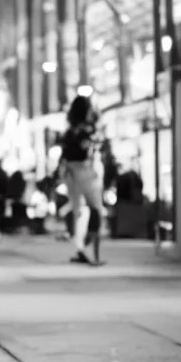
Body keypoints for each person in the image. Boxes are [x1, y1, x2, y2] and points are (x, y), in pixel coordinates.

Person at [59, 94, 105, 265]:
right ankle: (93, 253)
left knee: (79, 212)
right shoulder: (89, 130)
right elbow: (94, 146)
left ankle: (81, 249)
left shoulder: (69, 132)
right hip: (86, 170)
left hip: (70, 172)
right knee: (95, 210)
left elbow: (64, 156)